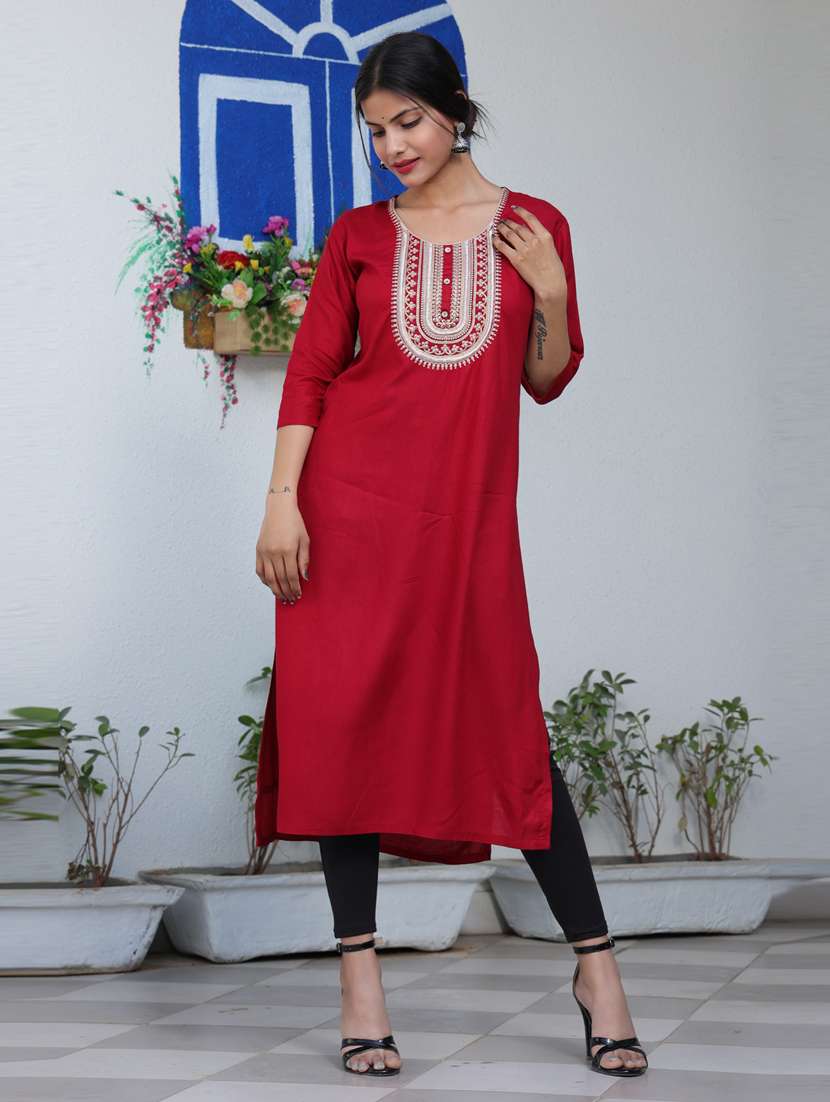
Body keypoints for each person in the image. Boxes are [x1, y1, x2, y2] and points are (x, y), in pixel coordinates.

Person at [254, 30, 647, 1081]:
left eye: (409, 122)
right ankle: (361, 986)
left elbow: (544, 378)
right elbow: (310, 375)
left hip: (463, 527)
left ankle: (597, 974)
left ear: (455, 109)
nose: (393, 146)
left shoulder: (533, 227)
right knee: (340, 734)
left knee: (508, 733)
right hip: (345, 518)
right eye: (375, 130)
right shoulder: (356, 238)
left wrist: (551, 292)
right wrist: (282, 505)